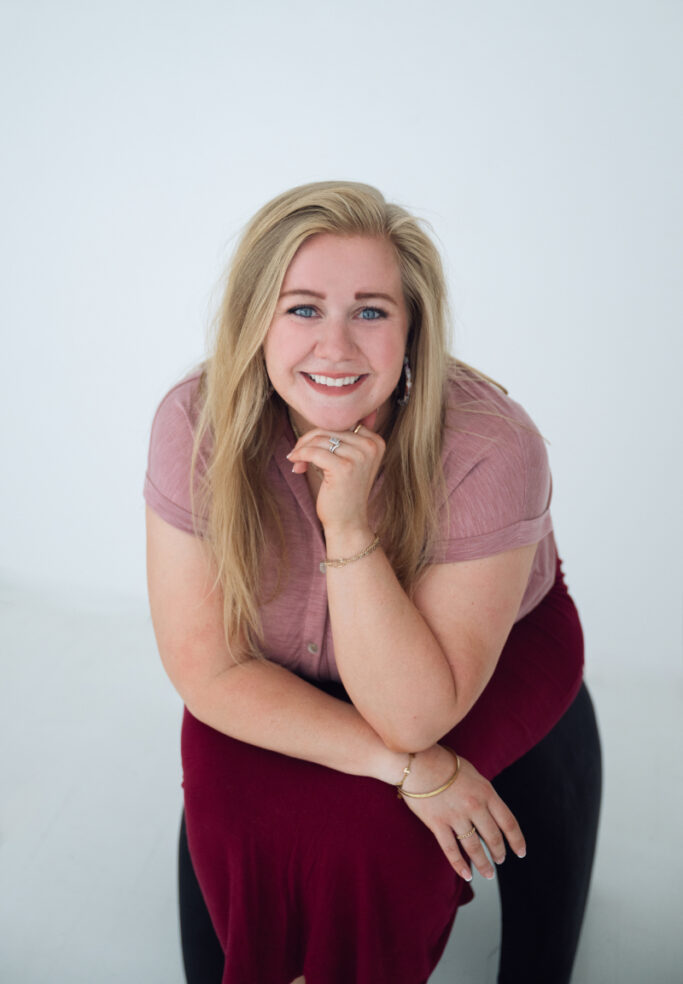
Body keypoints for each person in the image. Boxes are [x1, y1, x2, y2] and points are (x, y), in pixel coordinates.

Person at [144, 181, 595, 984]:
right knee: (247, 814)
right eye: (304, 308)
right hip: (272, 664)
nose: (337, 347)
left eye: (372, 311)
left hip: (472, 656)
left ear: (413, 327)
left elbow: (414, 713)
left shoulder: (492, 446)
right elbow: (208, 668)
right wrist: (411, 770)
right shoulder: (193, 423)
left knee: (376, 841)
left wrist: (348, 529)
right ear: (255, 319)